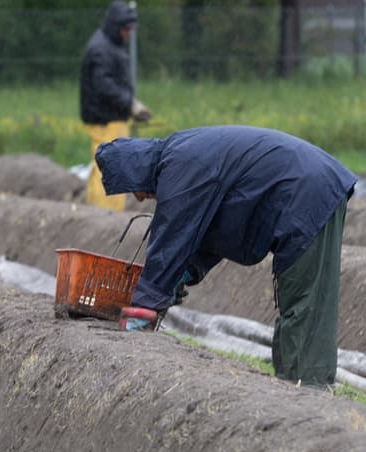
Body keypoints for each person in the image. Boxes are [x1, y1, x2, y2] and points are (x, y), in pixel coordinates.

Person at [96, 125, 357, 387]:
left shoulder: (180, 168)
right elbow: (209, 230)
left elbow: (171, 236)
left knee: (305, 300)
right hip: (305, 185)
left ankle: (309, 391)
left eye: (131, 190)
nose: (138, 199)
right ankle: (291, 386)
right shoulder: (180, 156)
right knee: (297, 299)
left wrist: (145, 306)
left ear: (135, 173)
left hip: (309, 191)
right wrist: (183, 273)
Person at [79, 0, 152, 212]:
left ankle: (96, 210)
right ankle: (108, 214)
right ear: (116, 26)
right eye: (126, 29)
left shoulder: (105, 45)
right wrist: (130, 104)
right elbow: (103, 85)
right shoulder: (101, 49)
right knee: (112, 168)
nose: (128, 34)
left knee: (101, 165)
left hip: (108, 117)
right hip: (106, 119)